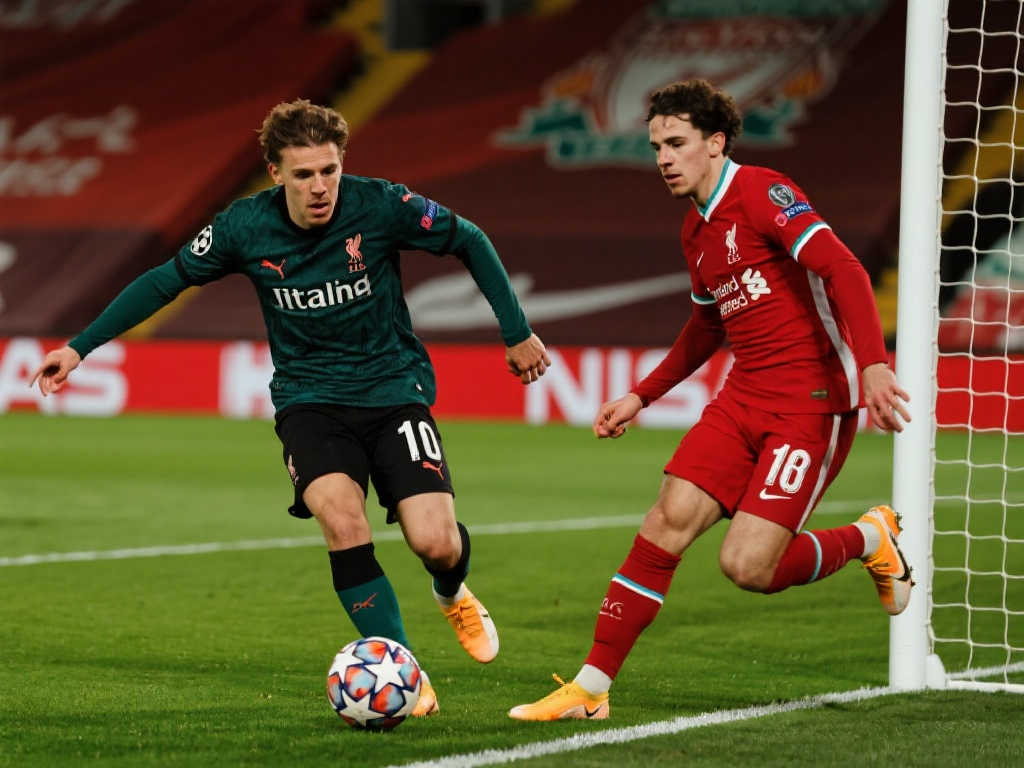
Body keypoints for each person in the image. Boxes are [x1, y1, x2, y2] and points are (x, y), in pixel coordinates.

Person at [30, 98, 551, 718]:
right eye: (304, 174)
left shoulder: (382, 205)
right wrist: (79, 348)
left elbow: (469, 239)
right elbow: (165, 280)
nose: (320, 186)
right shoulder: (243, 226)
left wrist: (516, 331)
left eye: (329, 170)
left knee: (435, 542)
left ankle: (451, 590)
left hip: (394, 391)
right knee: (344, 524)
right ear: (276, 173)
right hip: (309, 402)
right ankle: (402, 668)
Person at [508, 79, 912, 721]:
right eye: (656, 147)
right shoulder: (695, 230)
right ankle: (591, 688)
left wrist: (874, 365)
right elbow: (706, 327)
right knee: (665, 519)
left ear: (716, 142)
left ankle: (870, 538)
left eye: (676, 143)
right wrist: (641, 395)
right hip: (742, 398)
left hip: (809, 404)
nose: (663, 158)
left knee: (748, 566)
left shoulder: (763, 193)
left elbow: (844, 269)